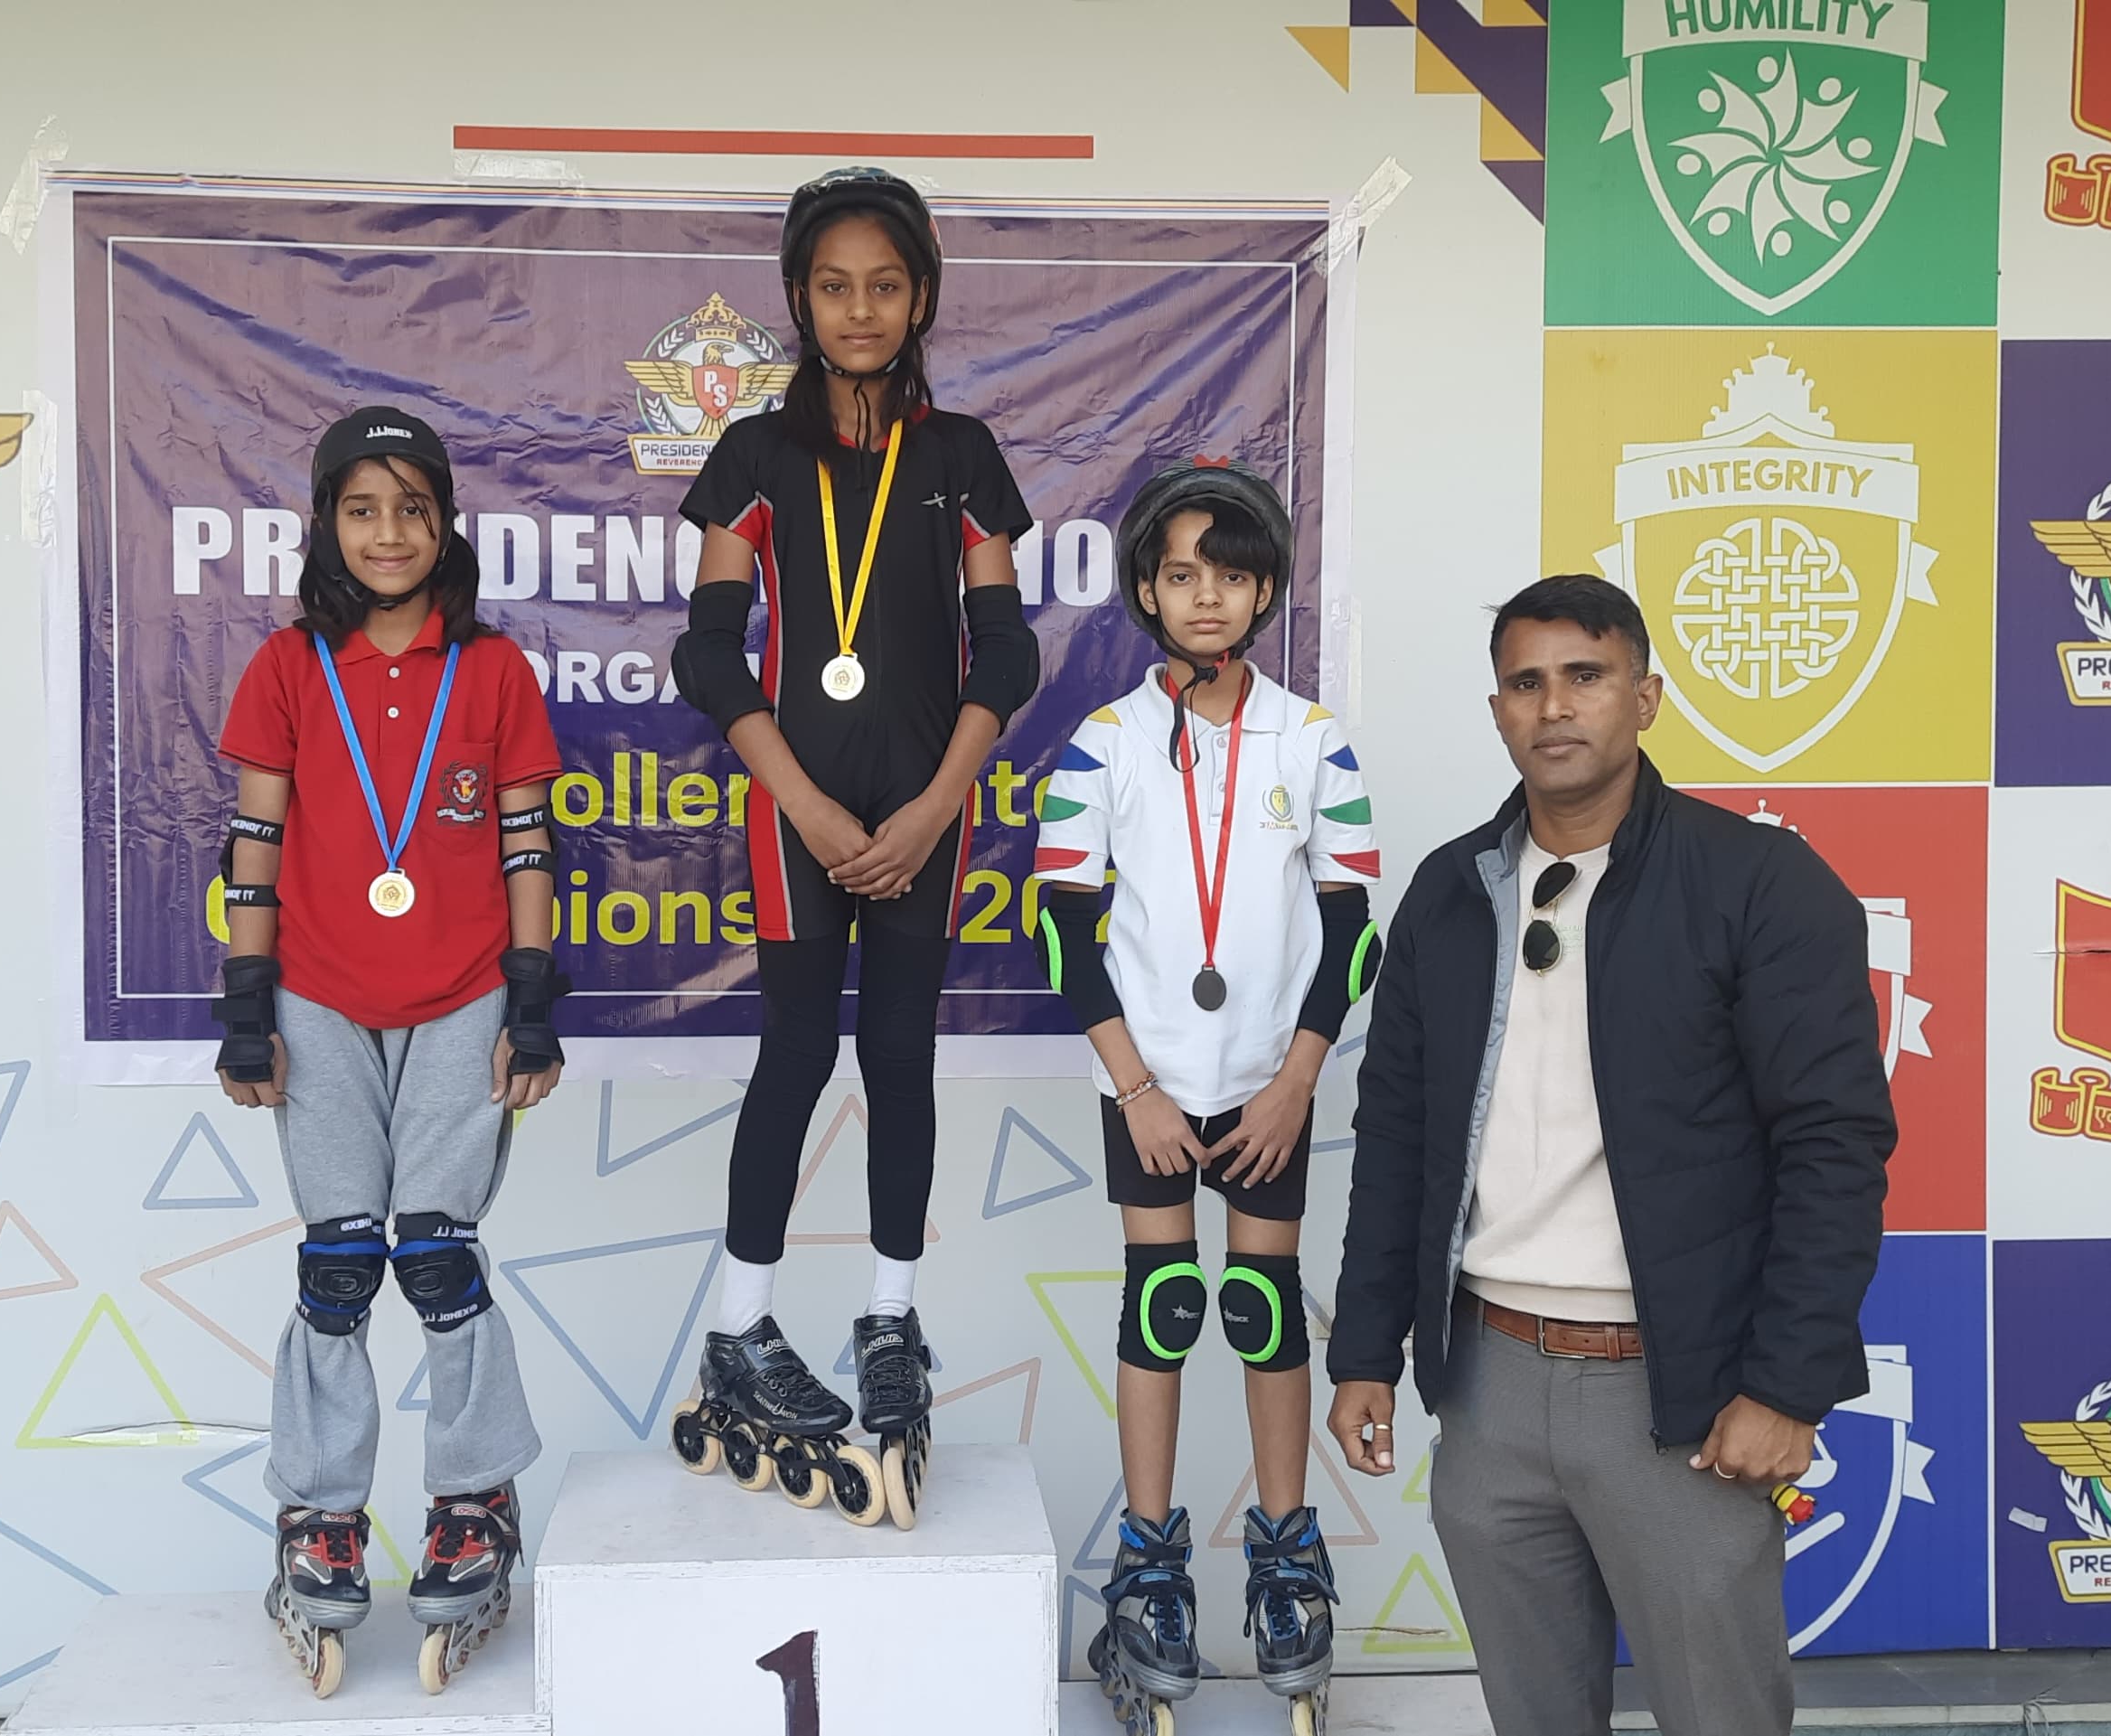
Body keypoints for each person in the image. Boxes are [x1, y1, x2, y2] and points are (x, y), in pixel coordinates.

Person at [1325, 575, 1891, 1736]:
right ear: (1496, 710)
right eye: (1525, 683)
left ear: (1644, 697)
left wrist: (1785, 1387)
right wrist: (1366, 1349)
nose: (1554, 706)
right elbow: (1395, 1134)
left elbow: (1832, 1144)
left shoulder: (1758, 882)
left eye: (1584, 676)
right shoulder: (1450, 892)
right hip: (1486, 1385)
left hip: (1678, 1396)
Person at [666, 166, 1038, 1529]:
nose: (860, 309)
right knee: (796, 1056)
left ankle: (890, 1319)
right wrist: (808, 808)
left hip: (928, 807)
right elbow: (709, 648)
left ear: (922, 296)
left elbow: (1004, 646)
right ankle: (738, 1329)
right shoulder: (753, 459)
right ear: (798, 298)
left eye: (885, 285)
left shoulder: (963, 456)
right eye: (834, 286)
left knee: (897, 1057)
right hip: (797, 812)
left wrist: (936, 806)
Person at [208, 407, 569, 1697]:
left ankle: (473, 1495)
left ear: (445, 524)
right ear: (326, 524)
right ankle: (319, 1510)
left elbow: (526, 843)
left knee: (436, 1249)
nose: (388, 533)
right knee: (339, 1260)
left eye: (412, 508)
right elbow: (255, 844)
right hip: (319, 997)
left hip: (464, 992)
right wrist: (246, 999)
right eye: (361, 509)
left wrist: (532, 996)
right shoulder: (288, 665)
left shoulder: (494, 670)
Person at [1035, 460, 1379, 1734]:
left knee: (1262, 1301)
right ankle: (1150, 1567)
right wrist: (1133, 1085)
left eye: (1231, 575)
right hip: (1149, 1083)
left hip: (1271, 1082)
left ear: (1267, 588)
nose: (1206, 597)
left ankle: (1285, 1559)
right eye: (1181, 574)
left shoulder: (1314, 738)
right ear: (1145, 590)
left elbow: (1353, 927)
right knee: (1165, 1298)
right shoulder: (1103, 741)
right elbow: (1060, 927)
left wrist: (1297, 1079)